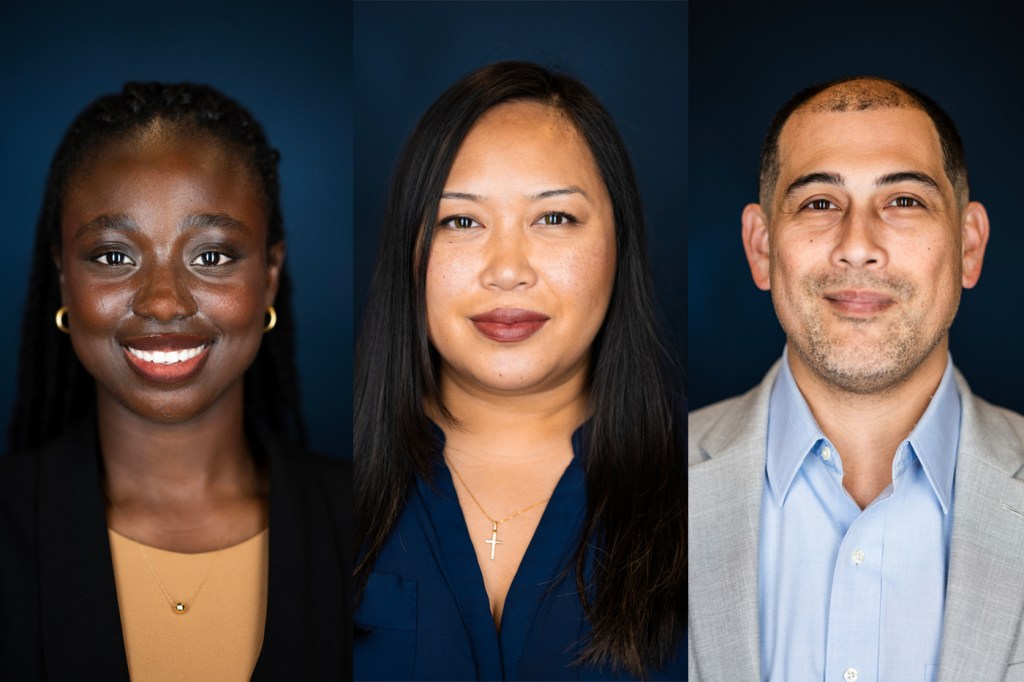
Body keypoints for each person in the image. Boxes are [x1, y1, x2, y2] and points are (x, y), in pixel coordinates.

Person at [0, 82, 351, 679]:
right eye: (113, 256)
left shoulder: (370, 521)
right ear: (63, 277)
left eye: (212, 256)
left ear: (268, 276)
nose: (163, 302)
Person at [353, 61, 685, 680]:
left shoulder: (713, 502)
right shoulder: (317, 498)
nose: (507, 270)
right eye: (461, 221)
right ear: (411, 248)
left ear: (621, 243)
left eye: (554, 219)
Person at [687, 76, 1024, 681]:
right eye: (819, 203)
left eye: (904, 202)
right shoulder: (642, 480)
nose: (858, 246)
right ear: (761, 249)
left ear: (969, 246)